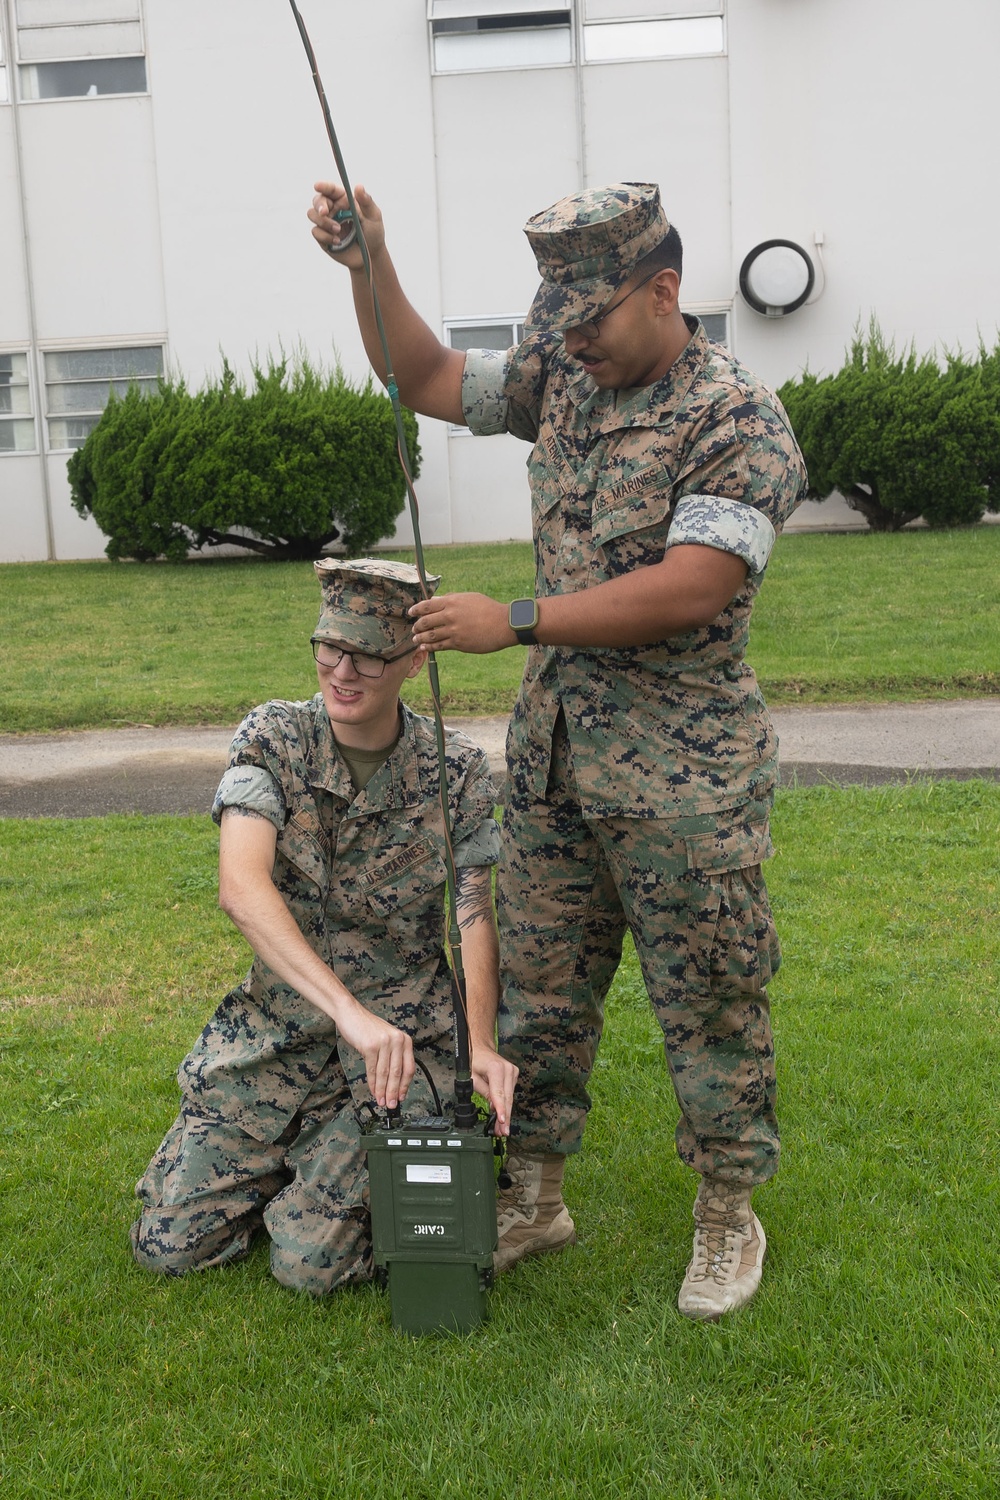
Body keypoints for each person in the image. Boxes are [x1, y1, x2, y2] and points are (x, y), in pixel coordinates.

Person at [307, 181, 807, 1319]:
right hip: (554, 760)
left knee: (711, 995)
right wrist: (367, 263)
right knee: (536, 988)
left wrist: (517, 619)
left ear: (663, 290)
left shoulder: (735, 417)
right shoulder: (568, 371)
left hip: (682, 775)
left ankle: (729, 1210)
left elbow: (694, 587)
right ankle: (534, 1190)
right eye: (557, 321)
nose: (567, 341)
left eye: (588, 318)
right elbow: (423, 375)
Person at [132, 557, 517, 1295]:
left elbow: (472, 913)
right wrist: (347, 1014)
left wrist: (480, 1045)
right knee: (164, 1243)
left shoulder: (456, 770)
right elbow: (241, 887)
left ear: (412, 658)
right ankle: (296, 1172)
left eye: (368, 654)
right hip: (274, 1040)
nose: (341, 670)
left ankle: (327, 1186)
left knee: (311, 1267)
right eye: (328, 647)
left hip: (396, 1059)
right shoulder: (273, 738)